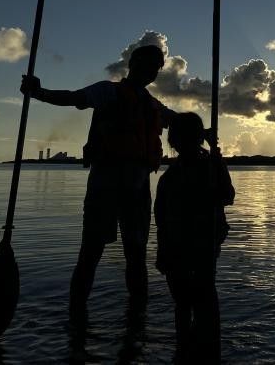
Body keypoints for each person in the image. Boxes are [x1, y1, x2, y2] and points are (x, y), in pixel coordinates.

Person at [21, 44, 177, 312]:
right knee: (91, 252)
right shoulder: (108, 91)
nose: (151, 71)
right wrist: (38, 92)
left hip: (138, 190)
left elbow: (179, 122)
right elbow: (73, 98)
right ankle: (77, 313)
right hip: (105, 186)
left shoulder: (152, 105)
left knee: (136, 254)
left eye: (156, 68)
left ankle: (137, 316)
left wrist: (204, 133)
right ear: (133, 63)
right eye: (147, 64)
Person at [155, 112, 235, 363]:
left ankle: (200, 347)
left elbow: (227, 195)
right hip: (178, 247)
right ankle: (187, 349)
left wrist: (216, 155)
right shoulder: (170, 177)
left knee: (202, 301)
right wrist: (162, 251)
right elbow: (161, 218)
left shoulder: (209, 167)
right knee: (186, 302)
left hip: (202, 244)